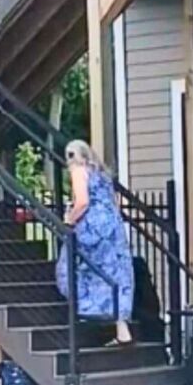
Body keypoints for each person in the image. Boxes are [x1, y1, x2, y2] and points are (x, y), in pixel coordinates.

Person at [56, 140, 135, 346]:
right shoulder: (101, 174)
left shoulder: (78, 171)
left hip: (91, 227)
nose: (69, 160)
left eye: (71, 155)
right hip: (112, 225)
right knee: (113, 272)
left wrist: (69, 219)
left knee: (70, 268)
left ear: (79, 156)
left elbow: (83, 202)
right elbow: (113, 202)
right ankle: (122, 329)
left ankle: (84, 312)